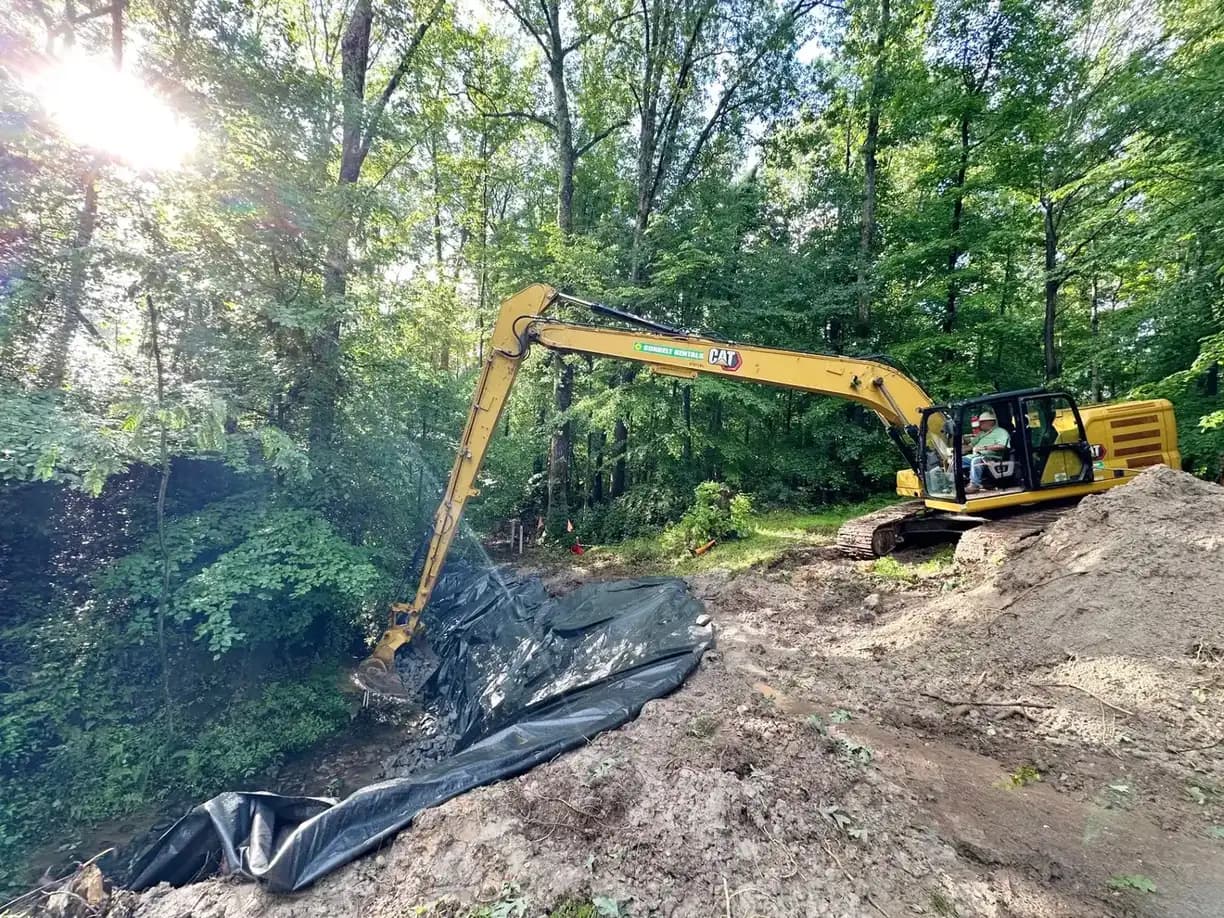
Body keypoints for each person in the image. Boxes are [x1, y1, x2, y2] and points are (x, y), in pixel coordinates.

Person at [962, 409, 1010, 494]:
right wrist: (958, 449)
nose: (980, 424)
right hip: (975, 456)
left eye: (982, 422)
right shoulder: (981, 434)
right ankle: (953, 484)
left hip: (991, 458)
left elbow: (1002, 446)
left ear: (991, 422)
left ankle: (974, 485)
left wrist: (984, 448)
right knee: (957, 461)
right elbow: (970, 446)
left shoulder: (1001, 432)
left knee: (976, 461)